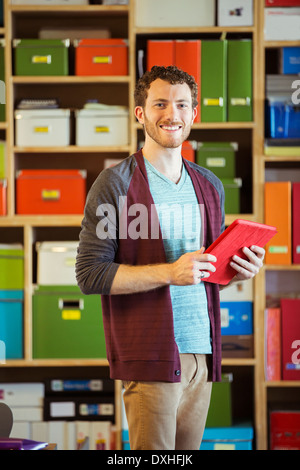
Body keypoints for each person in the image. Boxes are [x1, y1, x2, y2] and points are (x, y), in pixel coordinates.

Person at [75, 65, 265, 450]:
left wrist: (238, 269)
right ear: (141, 113)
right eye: (160, 103)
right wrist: (169, 273)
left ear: (194, 113)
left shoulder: (208, 184)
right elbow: (90, 274)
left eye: (181, 105)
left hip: (203, 352)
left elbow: (205, 268)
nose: (172, 114)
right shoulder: (116, 183)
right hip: (151, 353)